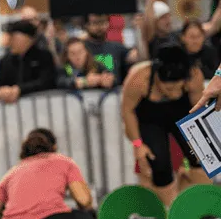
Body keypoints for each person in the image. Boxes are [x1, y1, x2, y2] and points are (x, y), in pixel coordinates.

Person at [122, 43, 210, 207]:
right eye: (168, 89)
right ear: (156, 77)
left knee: (202, 157)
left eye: (178, 88)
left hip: (183, 113)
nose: (174, 93)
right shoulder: (139, 79)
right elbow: (127, 112)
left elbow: (198, 113)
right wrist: (137, 145)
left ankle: (203, 205)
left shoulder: (194, 76)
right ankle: (171, 212)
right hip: (151, 120)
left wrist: (202, 144)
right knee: (159, 164)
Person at [0, 20, 57, 104]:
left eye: (14, 38)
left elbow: (46, 81)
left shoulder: (43, 56)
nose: (10, 42)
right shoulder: (6, 61)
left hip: (41, 106)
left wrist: (20, 89)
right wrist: (0, 90)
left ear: (28, 39)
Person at [83, 13, 134, 83]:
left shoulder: (116, 47)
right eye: (95, 23)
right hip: (85, 91)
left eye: (103, 22)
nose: (99, 26)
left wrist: (140, 29)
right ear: (86, 25)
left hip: (115, 91)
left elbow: (136, 57)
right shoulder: (81, 48)